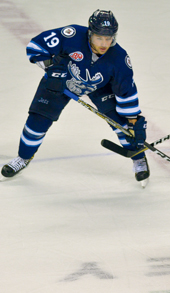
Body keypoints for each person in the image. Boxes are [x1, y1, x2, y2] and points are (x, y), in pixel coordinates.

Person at [1, 10, 149, 187]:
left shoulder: (119, 59)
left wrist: (132, 121)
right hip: (61, 81)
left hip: (99, 87)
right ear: (90, 33)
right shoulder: (71, 35)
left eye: (108, 38)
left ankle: (138, 159)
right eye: (99, 38)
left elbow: (126, 92)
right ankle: (23, 158)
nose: (104, 43)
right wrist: (51, 69)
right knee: (37, 121)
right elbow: (36, 46)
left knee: (124, 126)